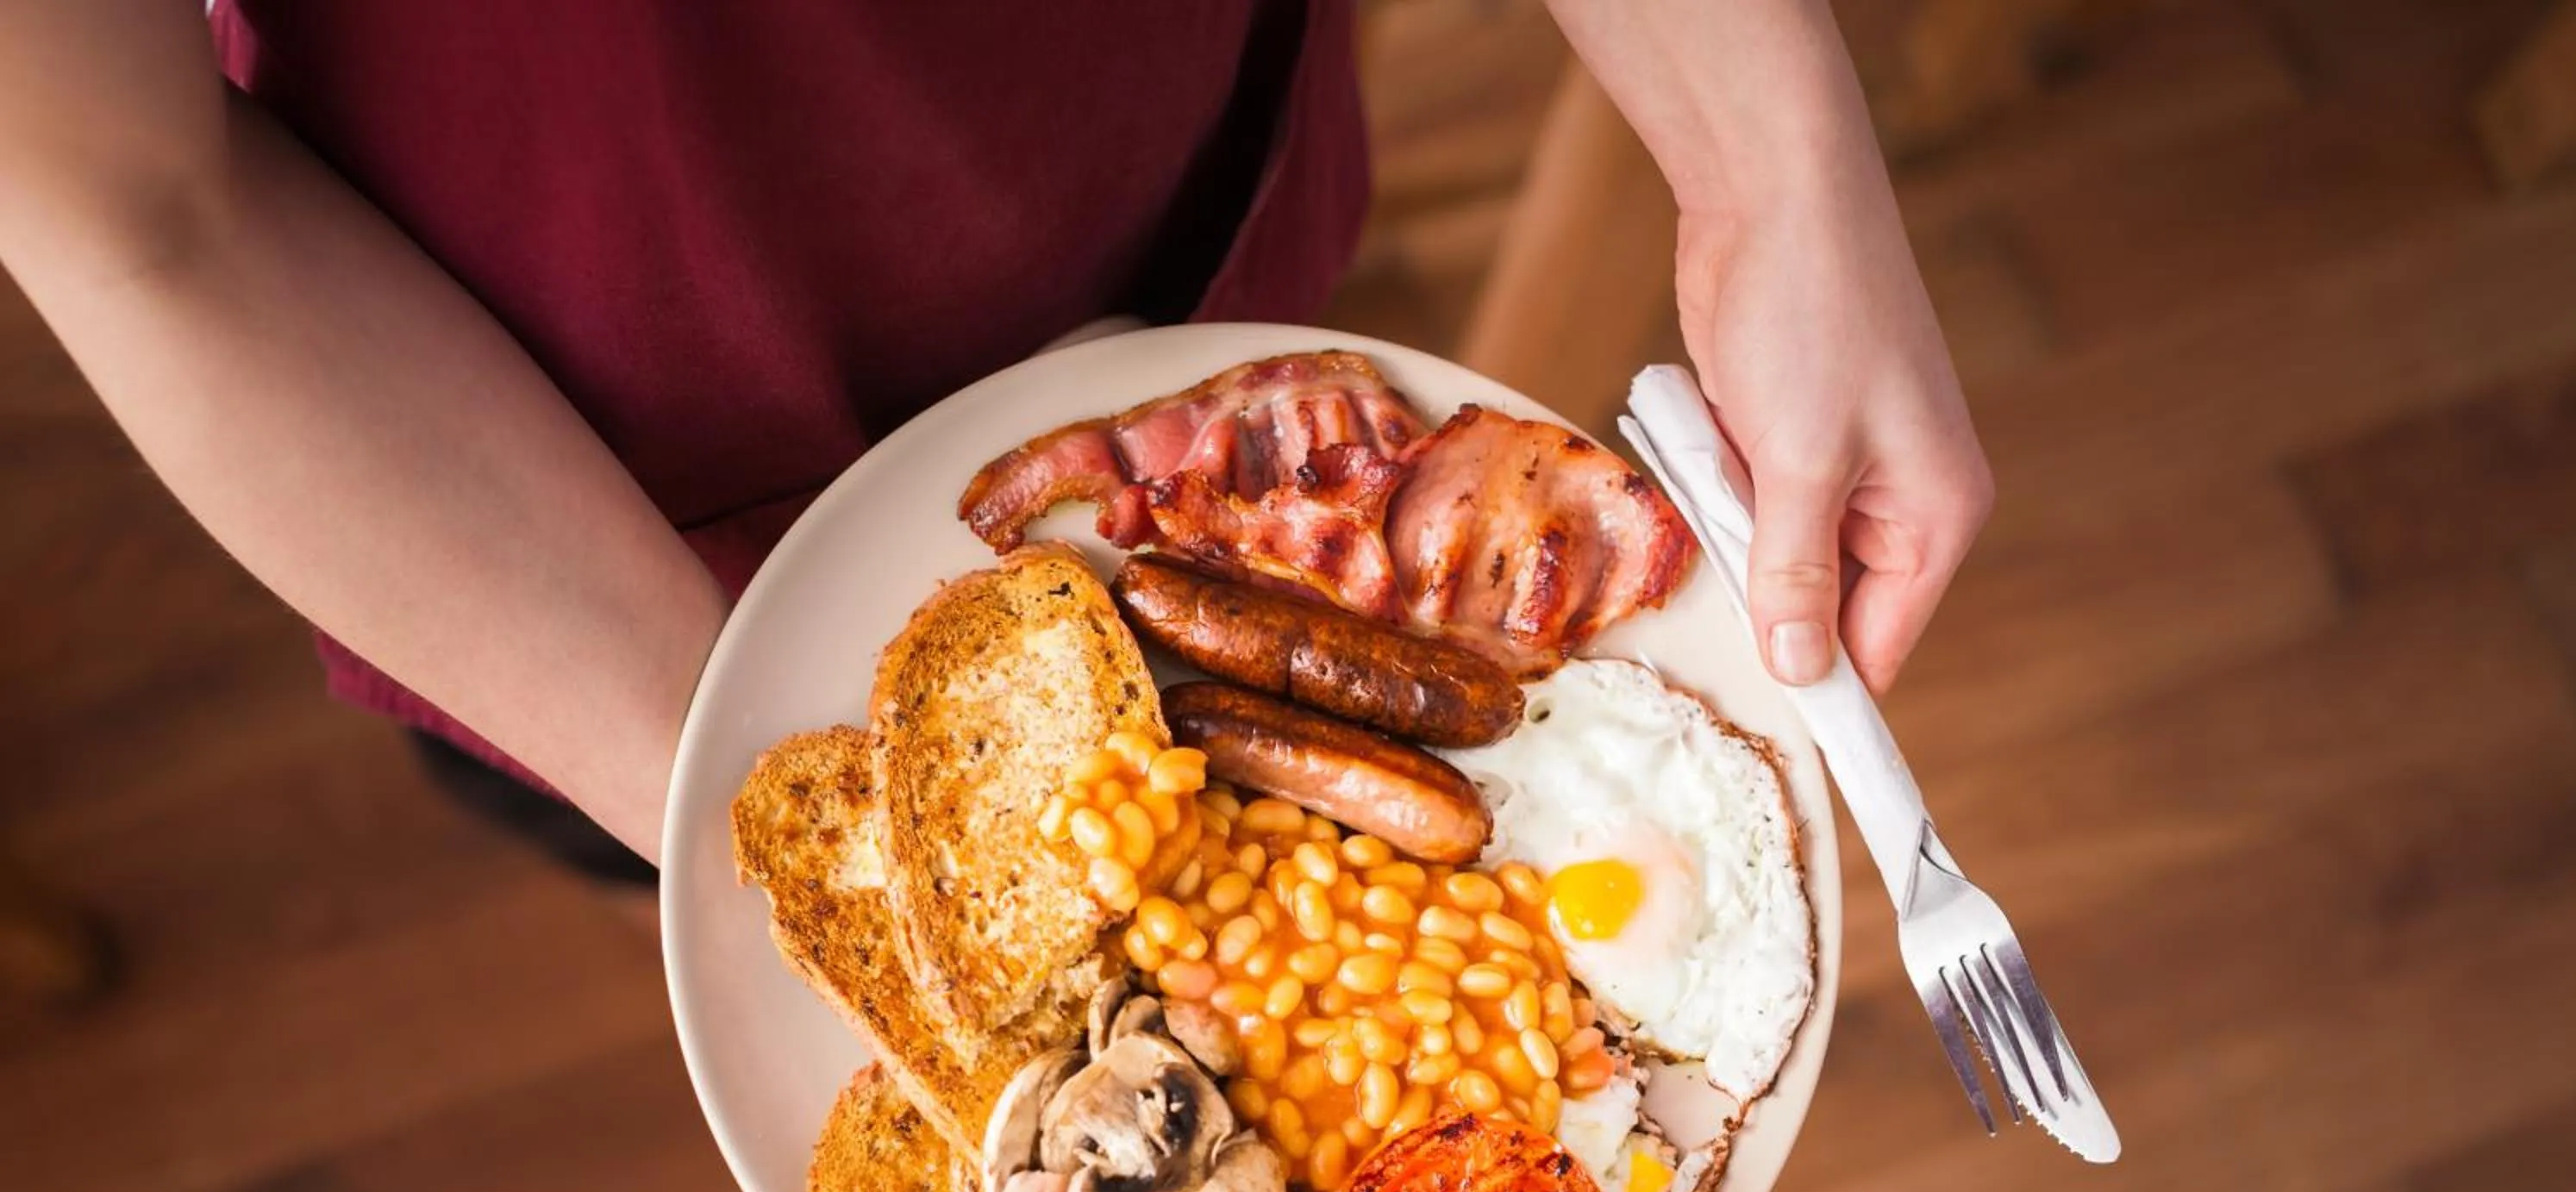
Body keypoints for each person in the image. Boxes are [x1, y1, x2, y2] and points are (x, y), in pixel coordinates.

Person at [0, 0, 1990, 876]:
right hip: (560, 453)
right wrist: (777, 812)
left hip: (1176, 180)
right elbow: (142, 213)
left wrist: (1775, 164)